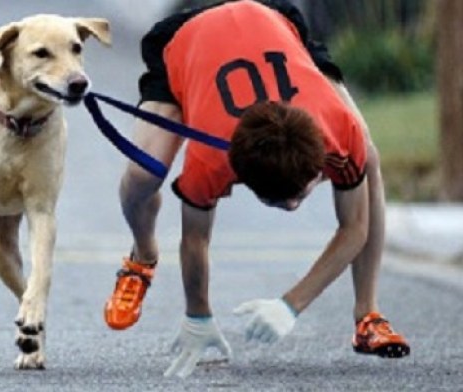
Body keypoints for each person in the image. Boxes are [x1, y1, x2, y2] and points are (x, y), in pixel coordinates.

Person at [103, 0, 410, 378]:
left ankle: (368, 316)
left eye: (303, 191)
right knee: (141, 175)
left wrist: (291, 305)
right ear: (239, 178)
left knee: (368, 158)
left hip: (273, 21)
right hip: (187, 39)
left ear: (318, 165)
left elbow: (355, 228)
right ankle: (142, 256)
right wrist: (197, 317)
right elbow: (194, 239)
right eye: (282, 202)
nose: (296, 205)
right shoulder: (209, 162)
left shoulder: (338, 129)